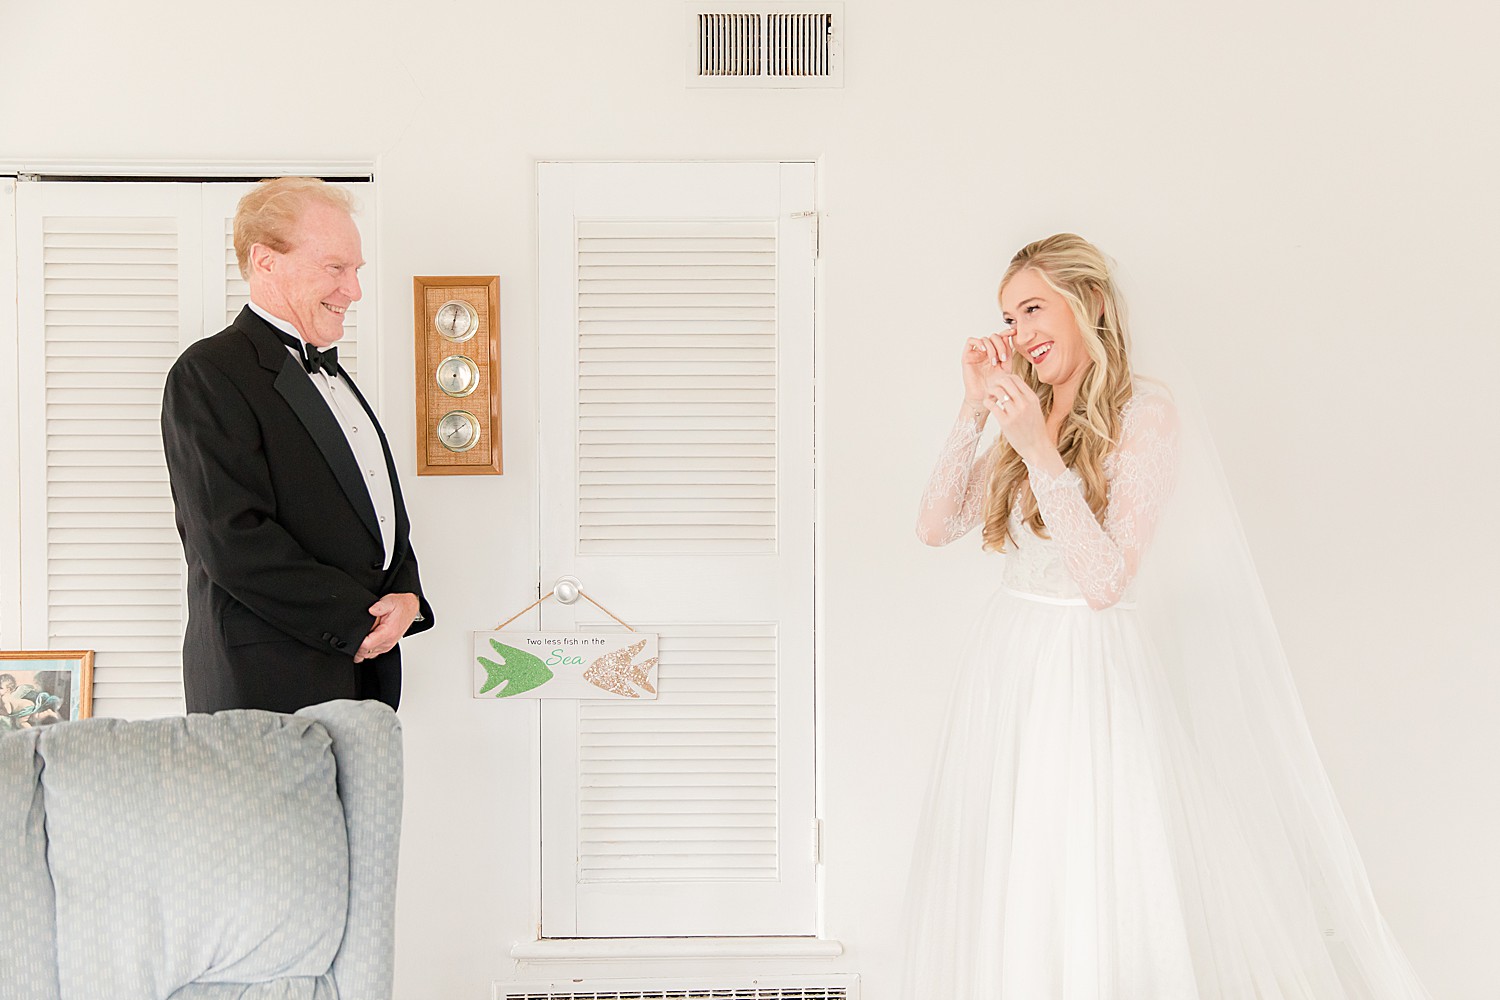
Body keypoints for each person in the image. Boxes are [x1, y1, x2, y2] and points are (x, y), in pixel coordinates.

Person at [903, 234, 1430, 997]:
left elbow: (1106, 580)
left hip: (1083, 673)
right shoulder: (1027, 408)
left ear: (1090, 305)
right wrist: (971, 403)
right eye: (1008, 317)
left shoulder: (1144, 413)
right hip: (1008, 668)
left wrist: (1041, 453)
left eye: (1032, 308)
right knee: (1011, 865)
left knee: (1081, 867)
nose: (1019, 333)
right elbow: (933, 524)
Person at [162, 177, 434, 714]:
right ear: (266, 262)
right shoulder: (209, 372)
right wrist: (358, 625)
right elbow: (233, 540)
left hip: (362, 676)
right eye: (335, 268)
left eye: (356, 271)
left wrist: (407, 594)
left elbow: (373, 510)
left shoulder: (332, 375)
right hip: (266, 683)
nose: (354, 291)